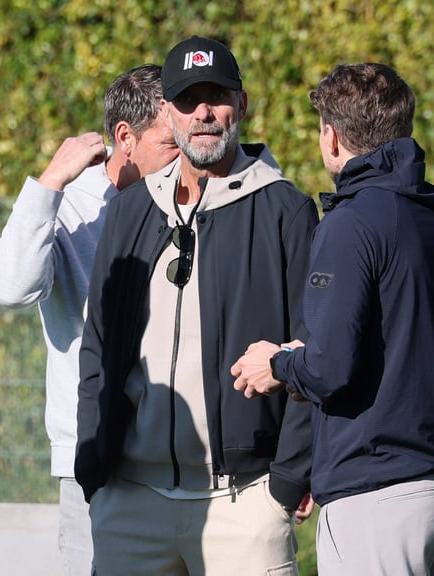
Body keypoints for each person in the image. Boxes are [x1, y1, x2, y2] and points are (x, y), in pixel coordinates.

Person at [231, 63, 434, 576]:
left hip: (377, 496)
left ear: (331, 137)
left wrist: (279, 364)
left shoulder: (349, 223)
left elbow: (329, 370)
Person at [76, 36, 319, 575]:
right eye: (188, 100)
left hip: (246, 503)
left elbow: (314, 348)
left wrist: (287, 480)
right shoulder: (130, 211)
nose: (204, 113)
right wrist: (93, 471)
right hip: (129, 502)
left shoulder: (286, 210)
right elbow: (96, 348)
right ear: (167, 112)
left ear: (243, 104)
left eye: (217, 97)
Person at [0, 63, 178, 576]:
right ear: (125, 138)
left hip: (185, 452)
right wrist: (49, 182)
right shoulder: (72, 206)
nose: (187, 157)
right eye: (171, 144)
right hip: (95, 456)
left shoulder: (195, 198)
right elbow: (9, 287)